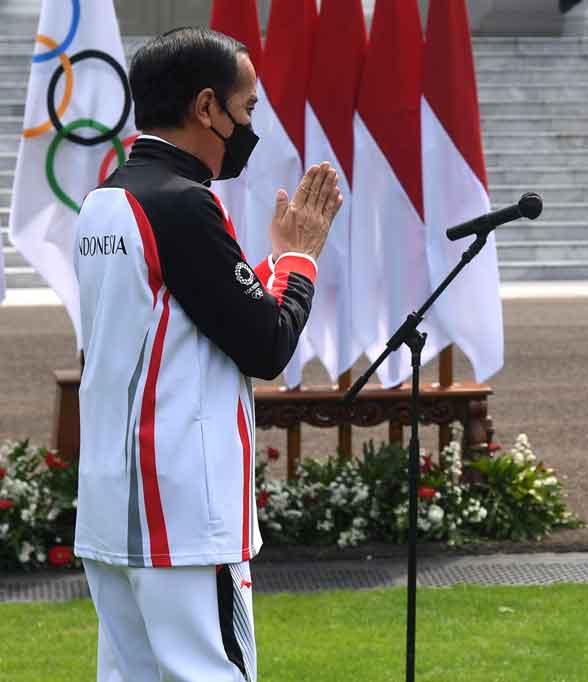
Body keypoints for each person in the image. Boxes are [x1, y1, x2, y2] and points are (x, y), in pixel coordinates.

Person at [73, 27, 341, 681]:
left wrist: (273, 263)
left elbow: (195, 317)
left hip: (115, 502)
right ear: (205, 108)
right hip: (181, 511)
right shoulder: (183, 205)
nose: (250, 125)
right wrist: (298, 258)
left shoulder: (105, 198)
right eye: (246, 109)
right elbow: (267, 344)